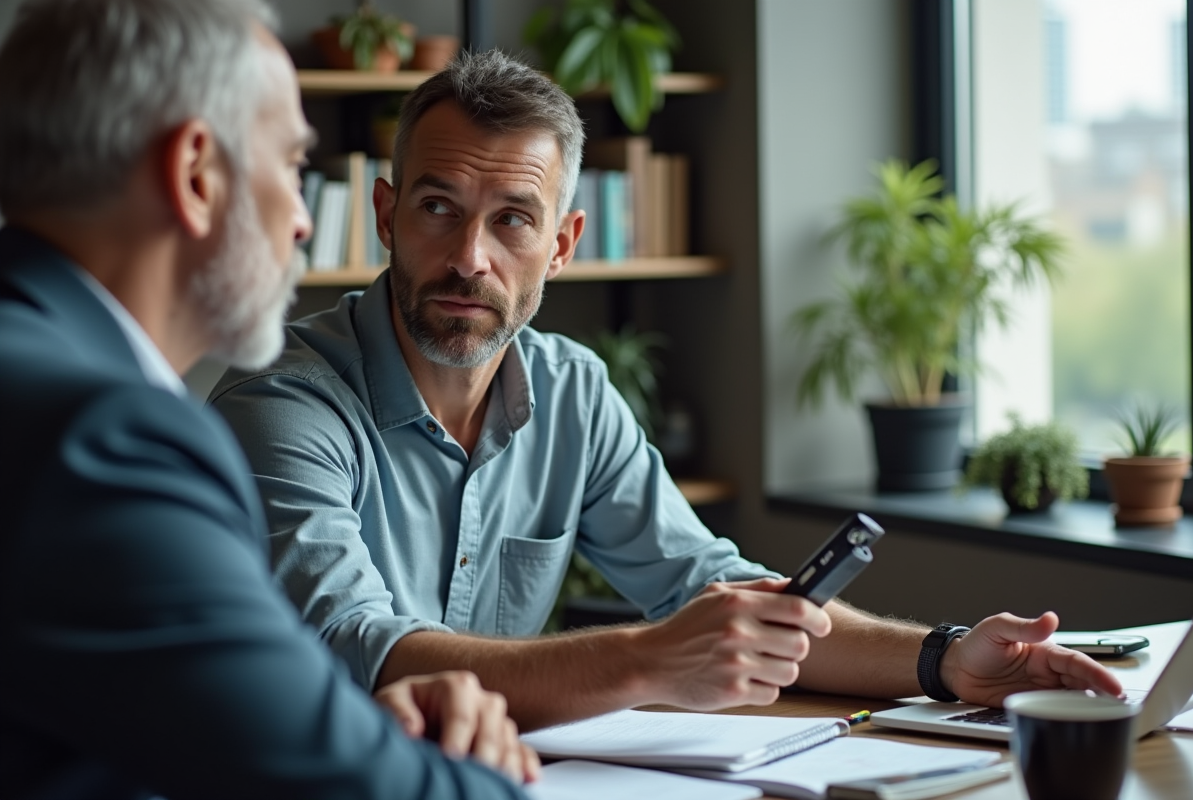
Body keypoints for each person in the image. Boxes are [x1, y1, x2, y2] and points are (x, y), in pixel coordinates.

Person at [210, 49, 1124, 732]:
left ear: (562, 246)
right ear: (385, 213)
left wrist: (942, 660)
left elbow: (711, 590)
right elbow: (359, 653)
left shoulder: (572, 393)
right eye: (437, 207)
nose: (468, 258)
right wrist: (648, 658)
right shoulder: (283, 403)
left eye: (512, 220)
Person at [0, 2, 536, 798]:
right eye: (291, 168)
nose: (301, 223)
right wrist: (480, 771)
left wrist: (346, 726)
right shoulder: (108, 444)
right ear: (195, 175)